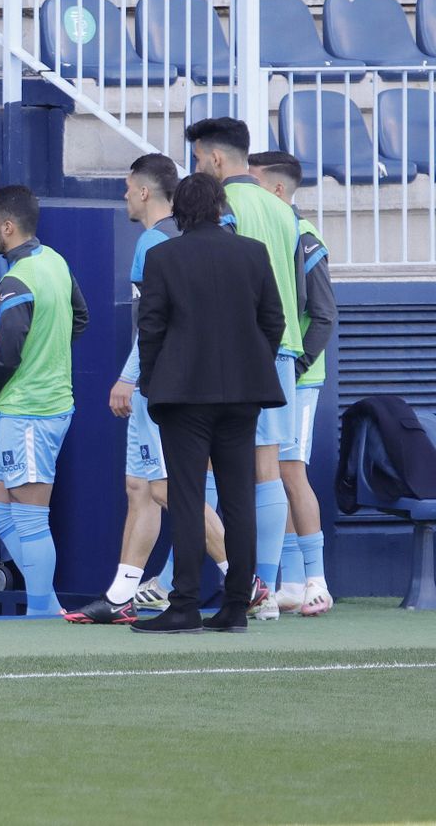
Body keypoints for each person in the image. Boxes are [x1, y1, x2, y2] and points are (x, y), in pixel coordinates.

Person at [67, 155, 229, 625]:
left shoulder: (153, 244)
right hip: (194, 380)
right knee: (140, 487)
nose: (123, 196)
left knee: (162, 486)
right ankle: (122, 594)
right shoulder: (201, 237)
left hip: (163, 385)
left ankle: (243, 578)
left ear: (143, 192)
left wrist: (130, 376)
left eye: (126, 188)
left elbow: (152, 325)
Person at [133, 172, 285, 634]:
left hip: (183, 395)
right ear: (221, 206)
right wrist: (249, 360)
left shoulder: (163, 256)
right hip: (243, 394)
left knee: (187, 497)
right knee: (240, 499)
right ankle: (237, 605)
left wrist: (151, 379)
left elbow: (152, 328)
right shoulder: (253, 253)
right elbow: (273, 322)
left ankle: (184, 605)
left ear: (179, 210)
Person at [189, 117, 303, 619]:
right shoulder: (282, 208)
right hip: (283, 348)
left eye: (196, 160)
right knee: (267, 470)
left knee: (213, 467)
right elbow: (296, 285)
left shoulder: (225, 207)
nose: (195, 169)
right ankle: (267, 592)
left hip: (237, 351)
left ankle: (246, 584)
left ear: (215, 159)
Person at [0, 186, 88, 618]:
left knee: (29, 518)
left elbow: (8, 349)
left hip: (30, 410)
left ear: (8, 227)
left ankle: (41, 614)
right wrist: (49, 350)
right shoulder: (55, 262)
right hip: (37, 406)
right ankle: (51, 605)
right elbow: (82, 317)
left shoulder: (17, 278)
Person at [250, 150, 337, 616]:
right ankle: (288, 581)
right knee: (268, 473)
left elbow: (323, 314)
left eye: (255, 181)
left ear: (278, 190)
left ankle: (317, 582)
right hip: (276, 374)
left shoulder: (303, 236)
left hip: (298, 379)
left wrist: (295, 368)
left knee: (289, 471)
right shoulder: (274, 232)